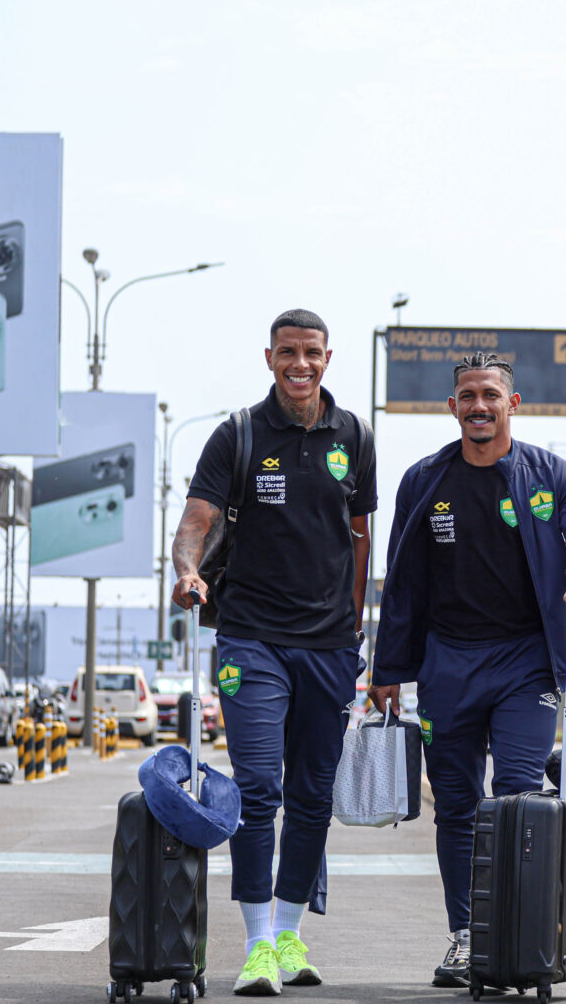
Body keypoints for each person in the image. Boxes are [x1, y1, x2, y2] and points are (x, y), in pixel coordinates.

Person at [369, 351, 566, 987]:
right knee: (456, 806)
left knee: (514, 793)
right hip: (448, 662)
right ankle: (466, 937)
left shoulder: (549, 475)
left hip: (528, 661)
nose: (479, 406)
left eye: (491, 395)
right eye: (467, 396)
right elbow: (401, 582)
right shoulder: (424, 480)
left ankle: (520, 934)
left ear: (513, 403)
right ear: (452, 407)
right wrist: (387, 666)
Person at [171, 308, 374, 997]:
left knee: (313, 795)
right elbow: (196, 520)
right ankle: (257, 946)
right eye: (288, 352)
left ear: (327, 357)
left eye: (312, 353)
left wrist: (355, 624)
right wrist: (187, 570)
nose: (301, 364)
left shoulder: (355, 435)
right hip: (251, 638)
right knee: (260, 788)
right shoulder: (240, 434)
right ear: (269, 357)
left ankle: (289, 933)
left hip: (329, 646)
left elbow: (359, 535)